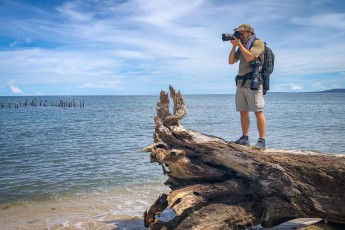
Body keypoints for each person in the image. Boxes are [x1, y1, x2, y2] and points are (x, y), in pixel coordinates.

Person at [228, 23, 266, 150]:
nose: (240, 35)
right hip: (241, 83)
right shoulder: (242, 45)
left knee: (258, 111)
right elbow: (231, 61)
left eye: (242, 33)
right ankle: (245, 138)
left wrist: (239, 45)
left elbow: (250, 57)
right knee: (243, 111)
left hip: (254, 83)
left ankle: (262, 141)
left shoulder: (258, 43)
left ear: (250, 32)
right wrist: (234, 47)